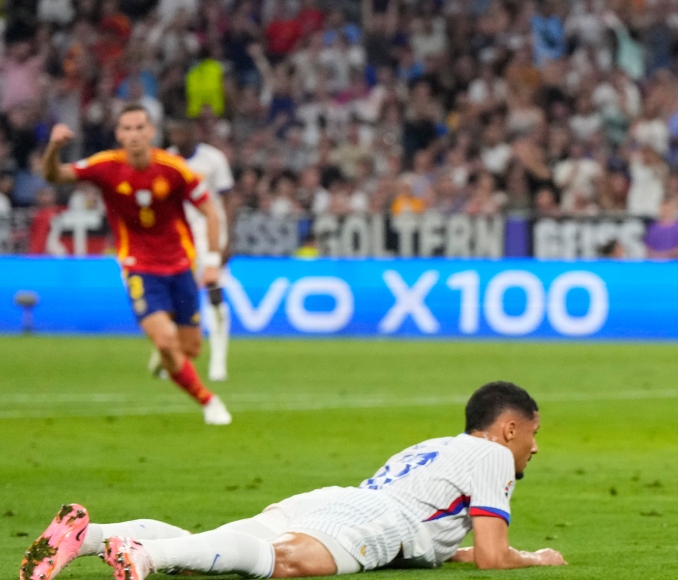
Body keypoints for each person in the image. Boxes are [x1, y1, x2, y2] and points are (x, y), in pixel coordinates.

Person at [20, 382, 566, 580]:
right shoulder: (490, 455)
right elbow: (494, 558)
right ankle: (139, 559)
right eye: (532, 434)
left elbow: (446, 544)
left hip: (338, 501)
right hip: (375, 520)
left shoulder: (434, 448)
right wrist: (536, 558)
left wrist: (466, 553)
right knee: (284, 564)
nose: (535, 448)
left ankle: (88, 537)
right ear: (509, 427)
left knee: (213, 547)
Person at [41, 104, 232, 425]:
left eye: (139, 128)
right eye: (126, 129)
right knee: (167, 341)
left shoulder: (174, 169)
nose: (133, 135)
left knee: (190, 349)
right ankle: (209, 401)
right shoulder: (105, 166)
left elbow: (211, 212)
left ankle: (165, 357)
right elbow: (54, 175)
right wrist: (54, 147)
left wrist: (212, 262)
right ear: (118, 134)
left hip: (181, 265)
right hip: (139, 266)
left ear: (150, 132)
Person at [167, 118, 235, 382]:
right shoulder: (166, 160)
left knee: (214, 293)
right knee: (179, 298)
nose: (178, 135)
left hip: (210, 233)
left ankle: (218, 359)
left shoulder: (213, 159)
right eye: (174, 130)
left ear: (193, 131)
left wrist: (226, 239)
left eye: (182, 129)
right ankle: (172, 355)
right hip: (179, 237)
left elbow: (228, 199)